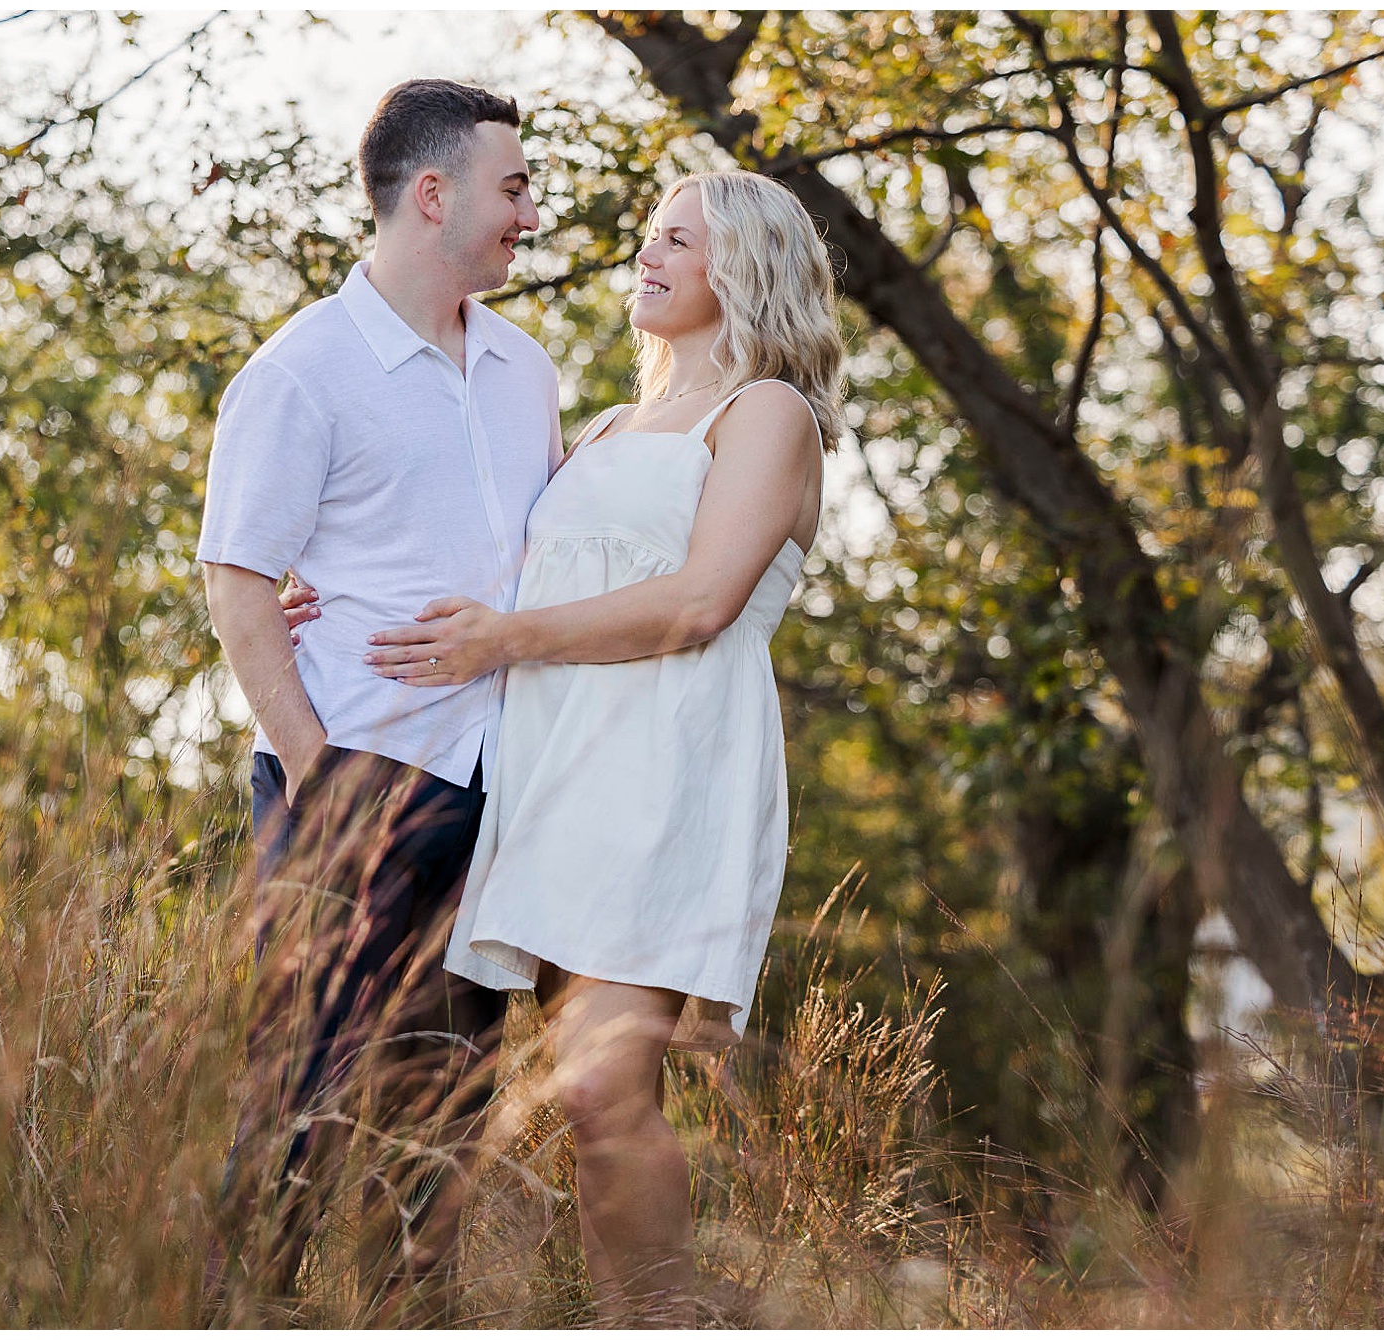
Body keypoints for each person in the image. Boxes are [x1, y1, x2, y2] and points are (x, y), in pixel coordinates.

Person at [357, 170, 845, 1323]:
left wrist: (506, 638)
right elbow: (488, 564)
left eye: (678, 239)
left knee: (593, 1084)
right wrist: (317, 598)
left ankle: (662, 1318)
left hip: (662, 773)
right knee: (533, 1094)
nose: (648, 255)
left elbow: (696, 604)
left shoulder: (764, 413)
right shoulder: (604, 428)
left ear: (747, 267)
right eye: (649, 238)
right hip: (549, 769)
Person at [194, 78, 560, 1322]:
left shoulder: (524, 366)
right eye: (513, 188)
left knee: (440, 1120)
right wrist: (315, 767)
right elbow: (236, 576)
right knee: (302, 1103)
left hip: (488, 787)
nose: (529, 213)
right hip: (351, 778)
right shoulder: (301, 370)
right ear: (431, 193)